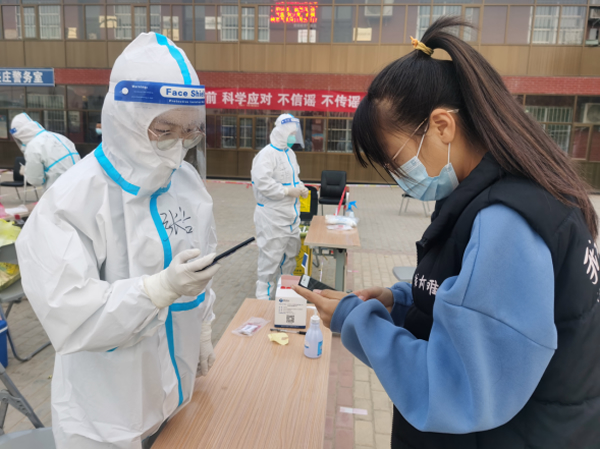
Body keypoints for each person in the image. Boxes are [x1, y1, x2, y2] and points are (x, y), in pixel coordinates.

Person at [292, 17, 600, 448]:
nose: (399, 177)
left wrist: (354, 320)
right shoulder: (518, 192)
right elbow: (480, 306)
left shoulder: (506, 222)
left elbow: (455, 387)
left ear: (442, 126)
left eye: (396, 159)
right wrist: (402, 301)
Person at [15, 32, 220, 448]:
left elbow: (202, 268)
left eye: (189, 131)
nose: (177, 147)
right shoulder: (70, 202)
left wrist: (203, 325)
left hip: (176, 395)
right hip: (104, 419)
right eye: (164, 130)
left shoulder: (186, 184)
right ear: (125, 119)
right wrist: (157, 290)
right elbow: (70, 314)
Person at [252, 114, 308, 300]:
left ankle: (285, 299)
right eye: (291, 133)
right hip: (272, 218)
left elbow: (293, 178)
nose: (293, 137)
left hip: (291, 217)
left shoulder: (289, 153)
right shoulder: (266, 155)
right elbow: (262, 183)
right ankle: (263, 300)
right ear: (282, 132)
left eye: (295, 134)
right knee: (270, 260)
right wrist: (286, 191)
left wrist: (300, 187)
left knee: (290, 258)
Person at [9, 113, 80, 191]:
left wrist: (26, 172)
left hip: (59, 191)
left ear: (20, 135)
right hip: (79, 185)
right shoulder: (59, 137)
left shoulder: (33, 146)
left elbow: (35, 181)